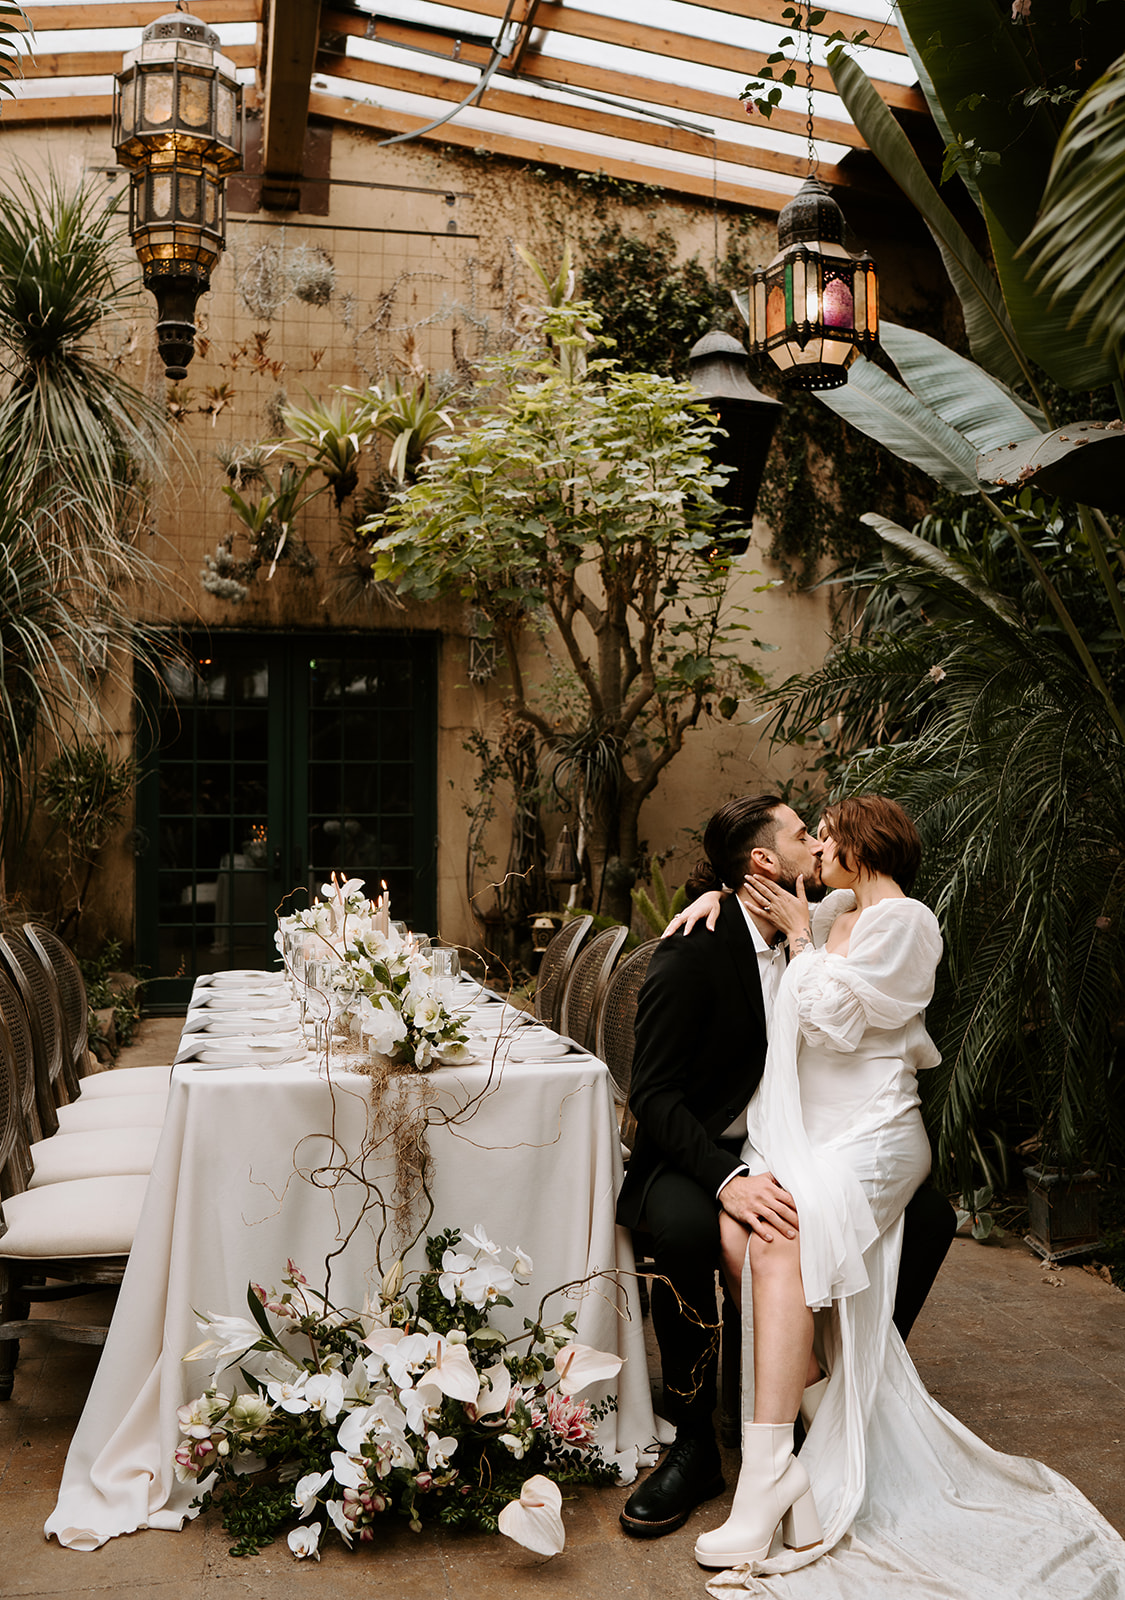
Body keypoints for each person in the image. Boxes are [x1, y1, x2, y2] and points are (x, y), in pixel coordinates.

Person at [687, 797, 1125, 1597]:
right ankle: (806, 1472)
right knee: (736, 1233)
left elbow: (832, 1026)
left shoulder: (905, 923)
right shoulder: (832, 916)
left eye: (825, 836)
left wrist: (798, 938)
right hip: (806, 1138)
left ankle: (767, 1476)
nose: (815, 848)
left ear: (858, 848)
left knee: (776, 1237)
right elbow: (759, 917)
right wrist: (717, 899)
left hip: (875, 1135)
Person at [615, 796, 955, 1541]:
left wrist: (781, 924)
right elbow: (653, 1095)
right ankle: (697, 1442)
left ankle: (814, 1421)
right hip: (703, 1146)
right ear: (764, 864)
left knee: (923, 1217)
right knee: (685, 1229)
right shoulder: (696, 946)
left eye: (821, 833)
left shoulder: (826, 921)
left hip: (808, 1136)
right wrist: (725, 1180)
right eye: (806, 835)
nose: (818, 841)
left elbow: (858, 964)